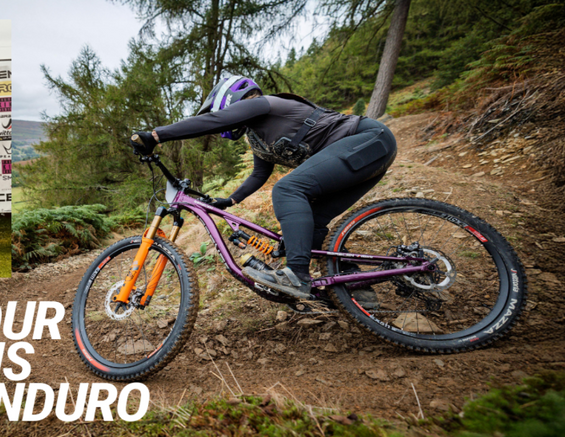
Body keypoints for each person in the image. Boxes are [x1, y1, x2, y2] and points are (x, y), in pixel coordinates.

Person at [132, 75, 397, 305]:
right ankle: (356, 289)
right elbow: (260, 173)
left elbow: (213, 121)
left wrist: (155, 136)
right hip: (366, 155)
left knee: (287, 189)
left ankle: (296, 276)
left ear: (232, 100)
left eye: (222, 109)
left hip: (369, 140)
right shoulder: (259, 136)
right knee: (311, 225)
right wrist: (232, 199)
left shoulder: (264, 104)